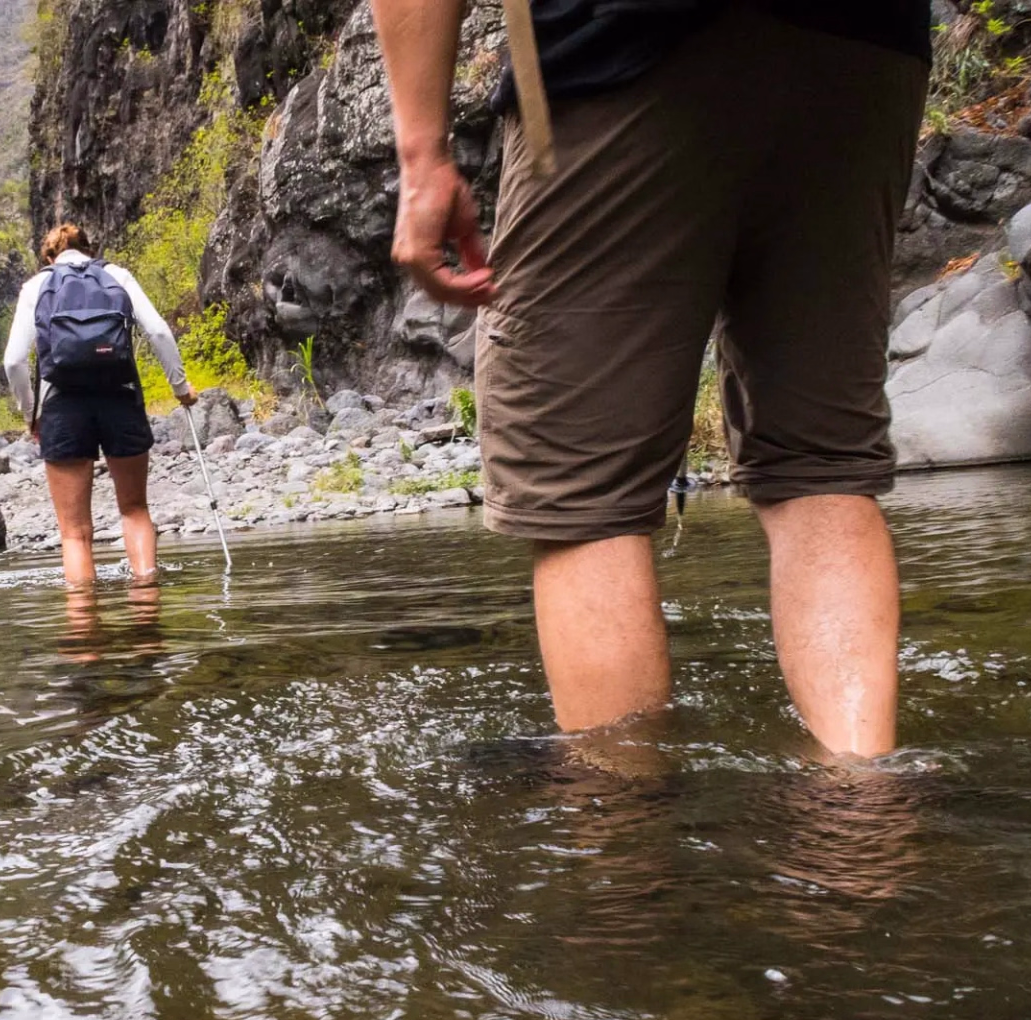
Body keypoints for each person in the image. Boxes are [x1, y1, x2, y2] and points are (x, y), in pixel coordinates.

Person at [370, 0, 931, 758]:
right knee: (821, 465)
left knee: (582, 492)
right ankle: (863, 800)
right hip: (868, 45)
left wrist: (421, 157)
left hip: (617, 46)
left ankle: (626, 823)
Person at [3, 223, 199, 587]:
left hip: (62, 405)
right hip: (120, 397)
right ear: (90, 250)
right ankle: (146, 607)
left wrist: (31, 415)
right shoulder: (116, 275)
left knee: (74, 533)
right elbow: (158, 331)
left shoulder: (36, 286)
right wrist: (180, 388)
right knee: (135, 510)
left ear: (49, 257)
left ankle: (83, 619)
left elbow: (13, 362)